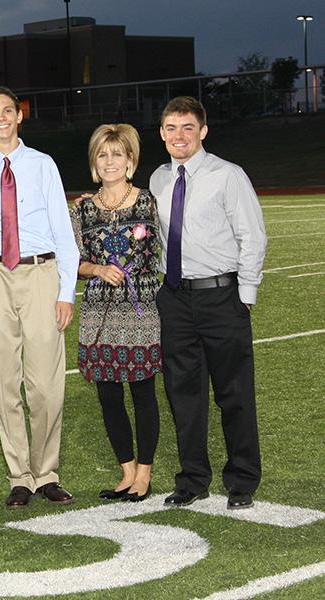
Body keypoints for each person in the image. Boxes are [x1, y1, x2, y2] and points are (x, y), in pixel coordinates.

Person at [0, 87, 80, 508]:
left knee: (45, 386)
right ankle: (19, 477)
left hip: (41, 272)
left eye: (8, 110)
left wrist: (66, 292)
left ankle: (47, 472)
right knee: (4, 381)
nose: (2, 118)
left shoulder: (42, 165)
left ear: (18, 116)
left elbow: (65, 234)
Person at [150, 96, 267, 510]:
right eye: (170, 127)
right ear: (162, 133)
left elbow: (252, 237)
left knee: (233, 392)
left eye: (186, 127)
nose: (178, 135)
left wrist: (245, 295)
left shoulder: (227, 175)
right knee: (183, 393)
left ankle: (242, 480)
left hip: (222, 296)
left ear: (202, 131)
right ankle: (193, 479)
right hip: (176, 299)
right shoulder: (158, 180)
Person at [70, 124, 161, 502]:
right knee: (108, 395)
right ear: (94, 162)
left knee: (142, 392)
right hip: (97, 312)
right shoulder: (84, 208)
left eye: (117, 154)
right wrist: (96, 269)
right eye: (103, 155)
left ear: (130, 160)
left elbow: (161, 254)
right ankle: (125, 471)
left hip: (140, 308)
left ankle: (144, 473)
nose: (110, 162)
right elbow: (72, 260)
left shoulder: (148, 202)